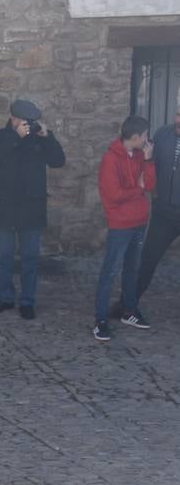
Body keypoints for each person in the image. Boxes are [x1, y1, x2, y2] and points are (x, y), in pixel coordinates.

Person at [0, 99, 66, 320]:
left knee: (30, 258)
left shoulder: (40, 138)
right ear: (14, 118)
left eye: (32, 121)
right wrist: (15, 136)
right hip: (5, 207)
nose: (29, 125)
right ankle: (5, 298)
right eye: (25, 121)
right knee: (5, 257)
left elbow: (58, 161)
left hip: (31, 207)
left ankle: (28, 301)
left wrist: (48, 138)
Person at [93, 116, 156, 341]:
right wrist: (136, 189)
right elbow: (114, 195)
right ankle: (100, 320)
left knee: (132, 269)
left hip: (139, 221)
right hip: (120, 225)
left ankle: (129, 311)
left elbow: (148, 185)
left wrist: (148, 163)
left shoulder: (141, 156)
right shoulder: (110, 159)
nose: (148, 140)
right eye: (145, 136)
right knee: (110, 271)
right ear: (135, 137)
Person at [134, 104, 180, 307]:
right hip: (164, 212)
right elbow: (149, 162)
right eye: (178, 114)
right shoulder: (163, 134)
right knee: (147, 259)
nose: (178, 120)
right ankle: (128, 303)